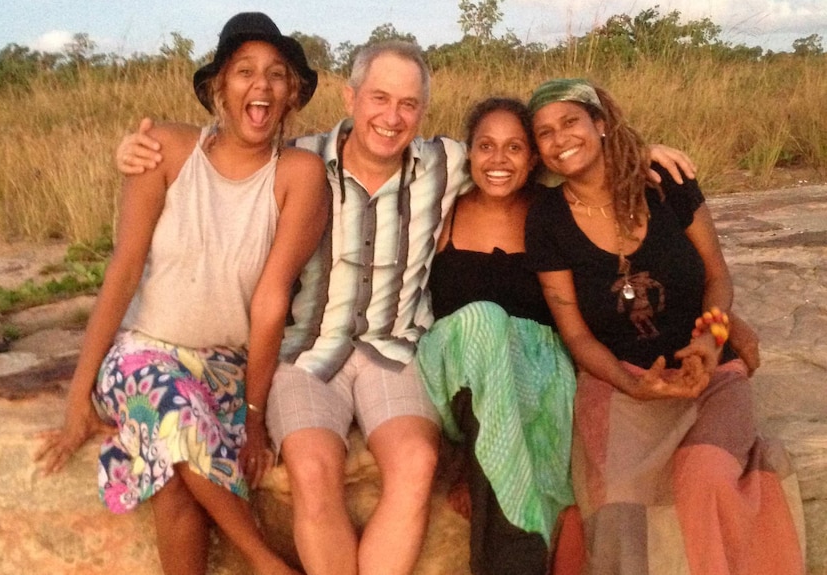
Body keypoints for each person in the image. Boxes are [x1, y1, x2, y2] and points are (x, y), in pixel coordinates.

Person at [115, 43, 697, 575]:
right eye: (380, 99)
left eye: (409, 105)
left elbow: (523, 154)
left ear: (423, 112)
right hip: (309, 350)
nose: (392, 118)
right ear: (351, 98)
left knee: (416, 465)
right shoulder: (299, 160)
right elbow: (228, 153)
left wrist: (631, 149)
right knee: (315, 474)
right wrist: (139, 148)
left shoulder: (444, 164)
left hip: (395, 352)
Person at [34, 12, 328, 575]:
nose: (260, 85)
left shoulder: (299, 172)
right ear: (220, 87)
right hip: (147, 353)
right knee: (173, 422)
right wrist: (78, 398)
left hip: (227, 365)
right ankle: (267, 562)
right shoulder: (167, 148)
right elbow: (123, 271)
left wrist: (254, 413)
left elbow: (270, 303)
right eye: (244, 72)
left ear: (292, 94)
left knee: (170, 480)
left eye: (276, 75)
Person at [524, 78, 806, 575]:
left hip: (707, 372)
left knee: (707, 476)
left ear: (601, 124)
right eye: (544, 132)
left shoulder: (664, 180)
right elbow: (575, 334)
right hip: (621, 382)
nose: (559, 138)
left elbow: (717, 275)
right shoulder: (546, 216)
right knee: (617, 506)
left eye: (570, 122)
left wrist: (712, 339)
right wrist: (632, 382)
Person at [415, 97, 576, 575]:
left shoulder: (553, 211)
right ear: (468, 153)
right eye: (486, 146)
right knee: (486, 320)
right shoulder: (444, 208)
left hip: (533, 379)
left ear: (533, 159)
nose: (499, 161)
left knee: (543, 392)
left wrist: (647, 154)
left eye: (514, 148)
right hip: (455, 365)